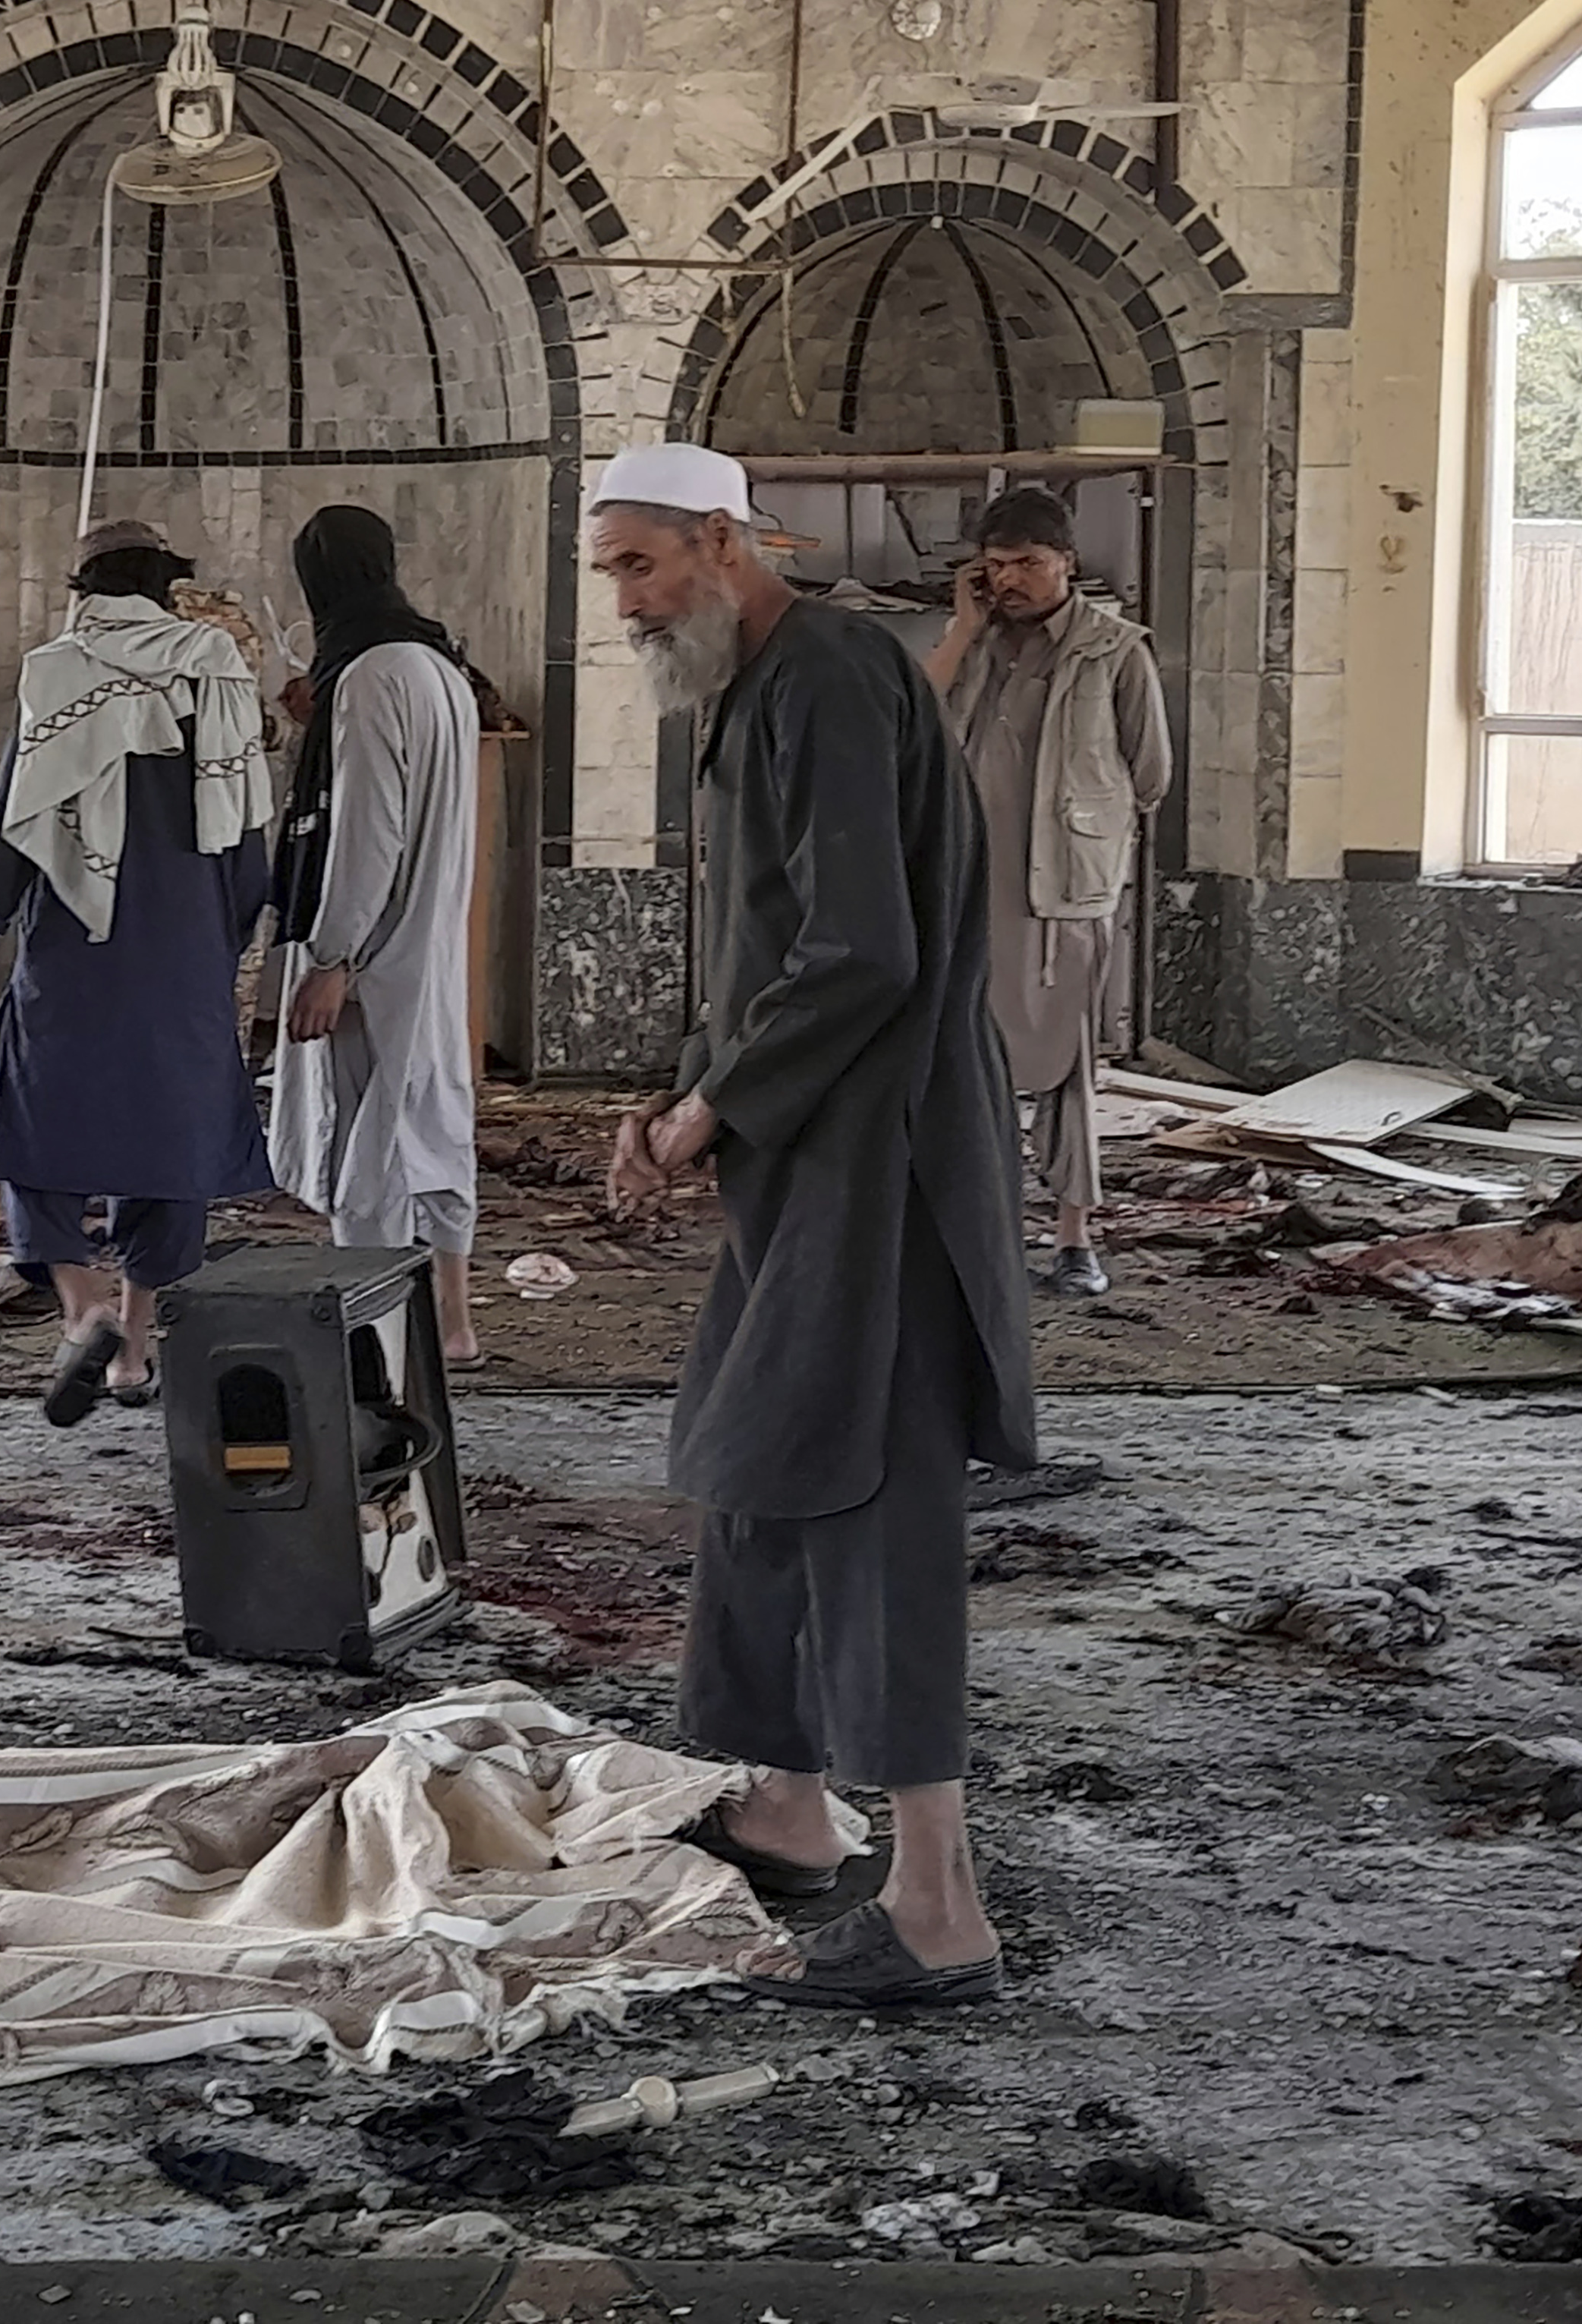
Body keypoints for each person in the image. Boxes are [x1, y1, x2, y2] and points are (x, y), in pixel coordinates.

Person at [588, 441, 1036, 2011]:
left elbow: (861, 950)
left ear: (722, 539)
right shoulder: (760, 682)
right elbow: (766, 947)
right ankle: (783, 1795)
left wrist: (713, 1110)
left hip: (886, 1155)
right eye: (613, 575)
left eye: (643, 565)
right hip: (810, 1147)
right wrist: (688, 1091)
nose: (627, 601)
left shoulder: (836, 671)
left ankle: (936, 1903)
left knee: (873, 1491)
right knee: (758, 1450)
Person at [0, 519, 275, 1420]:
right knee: (170, 1141)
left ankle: (83, 1308)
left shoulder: (60, 669)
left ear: (86, 588)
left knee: (40, 1123)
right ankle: (135, 1349)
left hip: (77, 941)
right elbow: (245, 825)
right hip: (184, 940)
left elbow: (16, 820)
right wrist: (225, 937)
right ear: (166, 585)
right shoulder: (215, 668)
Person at [920, 483, 1173, 1299]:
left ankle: (1074, 1238)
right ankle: (977, 1232)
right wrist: (962, 628)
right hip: (968, 888)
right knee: (966, 1063)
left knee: (1066, 1065)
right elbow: (915, 728)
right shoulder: (975, 645)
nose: (1012, 580)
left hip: (1065, 889)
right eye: (996, 566)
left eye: (1029, 562)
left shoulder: (1114, 649)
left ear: (1067, 562)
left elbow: (1151, 772)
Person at [266, 503, 486, 1368]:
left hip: (377, 953)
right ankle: (457, 1323)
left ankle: (374, 1342)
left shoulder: (368, 678)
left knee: (370, 1146)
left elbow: (367, 833)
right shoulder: (438, 664)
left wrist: (332, 960)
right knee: (433, 1122)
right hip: (428, 942)